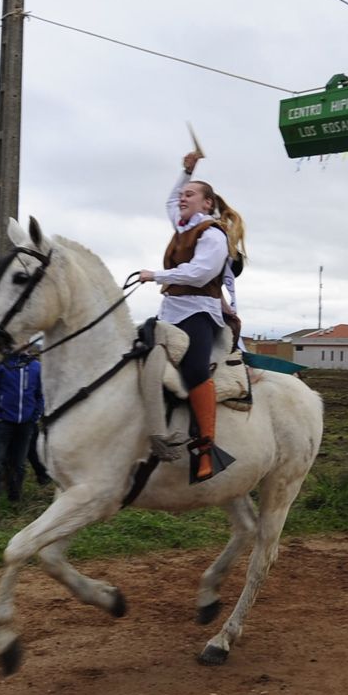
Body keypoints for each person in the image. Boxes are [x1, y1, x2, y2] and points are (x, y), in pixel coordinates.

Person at [136, 148, 245, 481]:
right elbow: (170, 203)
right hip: (170, 311)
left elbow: (199, 274)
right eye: (182, 195)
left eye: (190, 194)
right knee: (139, 352)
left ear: (207, 203)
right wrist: (186, 172)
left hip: (199, 312)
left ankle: (206, 447)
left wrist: (157, 275)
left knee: (195, 369)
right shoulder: (183, 225)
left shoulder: (212, 235)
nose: (181, 199)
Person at [0, 350, 44, 505]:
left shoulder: (36, 366)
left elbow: (41, 395)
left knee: (20, 464)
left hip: (26, 424)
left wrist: (34, 417)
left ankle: (14, 499)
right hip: (3, 423)